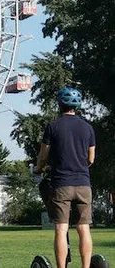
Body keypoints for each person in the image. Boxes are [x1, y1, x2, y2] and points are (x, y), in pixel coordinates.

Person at [34, 87, 95, 268]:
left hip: (61, 184)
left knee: (61, 228)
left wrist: (38, 168)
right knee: (83, 228)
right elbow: (91, 158)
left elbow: (43, 155)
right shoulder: (88, 127)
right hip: (84, 184)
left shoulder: (53, 126)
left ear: (60, 104)